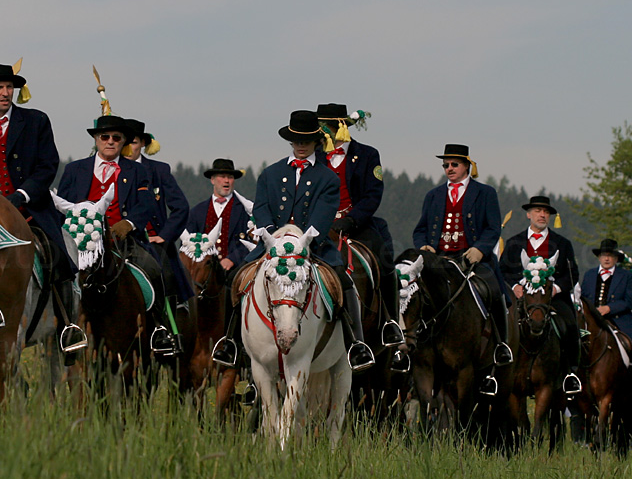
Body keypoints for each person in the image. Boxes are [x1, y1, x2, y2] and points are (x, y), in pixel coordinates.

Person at [212, 110, 376, 372]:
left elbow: (323, 216)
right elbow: (263, 208)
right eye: (296, 141)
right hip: (272, 245)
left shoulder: (328, 178)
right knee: (235, 277)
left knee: (343, 281)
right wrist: (270, 235)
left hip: (313, 246)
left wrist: (302, 239)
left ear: (316, 142)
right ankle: (229, 341)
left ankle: (355, 343)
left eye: (306, 141)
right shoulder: (270, 173)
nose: (301, 146)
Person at [0, 62, 84, 350]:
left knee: (59, 256)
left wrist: (21, 195)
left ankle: (68, 327)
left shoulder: (36, 121)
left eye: (9, 87)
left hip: (30, 212)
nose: (5, 93)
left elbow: (47, 166)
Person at [56, 114, 176, 352]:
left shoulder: (137, 171)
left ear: (123, 142)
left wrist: (129, 223)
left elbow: (147, 204)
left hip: (122, 242)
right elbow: (63, 204)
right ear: (96, 139)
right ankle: (62, 326)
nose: (110, 141)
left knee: (154, 266)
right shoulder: (74, 169)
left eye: (116, 138)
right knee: (55, 270)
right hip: (80, 243)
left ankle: (159, 328)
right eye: (105, 137)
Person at [412, 144, 511, 393]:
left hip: (472, 258)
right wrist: (424, 246)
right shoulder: (433, 195)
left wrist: (481, 248)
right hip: (440, 258)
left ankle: (502, 345)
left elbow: (492, 227)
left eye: (454, 164)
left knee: (493, 289)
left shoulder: (485, 193)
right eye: (445, 165)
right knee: (411, 291)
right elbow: (420, 228)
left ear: (467, 165)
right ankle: (409, 346)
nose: (449, 169)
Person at [316, 103, 403, 349]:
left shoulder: (367, 155)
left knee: (386, 264)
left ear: (338, 127)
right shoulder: (316, 156)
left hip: (357, 224)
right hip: (321, 227)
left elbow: (373, 195)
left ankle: (390, 324)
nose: (320, 133)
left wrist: (352, 219)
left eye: (323, 128)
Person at [122, 119, 194, 351]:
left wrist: (164, 235)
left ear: (143, 143)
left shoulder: (159, 171)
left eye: (133, 142)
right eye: (125, 142)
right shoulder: (115, 168)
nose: (127, 147)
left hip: (153, 242)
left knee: (165, 274)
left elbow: (181, 206)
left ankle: (165, 328)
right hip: (120, 239)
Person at [499, 195, 581, 394]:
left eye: (546, 212)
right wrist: (515, 287)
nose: (542, 215)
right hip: (520, 299)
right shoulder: (513, 242)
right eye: (537, 211)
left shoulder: (563, 243)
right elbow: (502, 272)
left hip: (553, 300)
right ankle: (497, 371)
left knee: (571, 325)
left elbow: (573, 274)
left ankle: (571, 373)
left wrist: (556, 289)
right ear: (528, 214)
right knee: (500, 324)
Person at [580, 238, 632, 404]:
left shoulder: (625, 276)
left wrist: (609, 308)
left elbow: (629, 301)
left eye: (610, 255)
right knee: (573, 343)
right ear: (599, 257)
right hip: (592, 321)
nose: (607, 258)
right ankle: (571, 380)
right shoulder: (589, 275)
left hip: (619, 319)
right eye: (604, 255)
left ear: (616, 258)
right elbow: (583, 298)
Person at [185, 158, 252, 272]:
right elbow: (188, 243)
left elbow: (252, 240)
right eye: (222, 176)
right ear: (212, 180)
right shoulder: (197, 211)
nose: (226, 181)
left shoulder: (245, 210)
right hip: (205, 274)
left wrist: (232, 259)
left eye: (230, 177)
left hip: (236, 271)